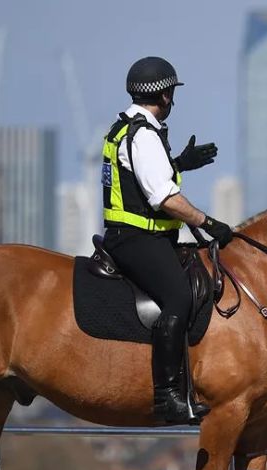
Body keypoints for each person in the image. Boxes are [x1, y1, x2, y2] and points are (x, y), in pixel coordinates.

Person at [100, 56, 233, 425]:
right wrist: (210, 222)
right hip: (137, 239)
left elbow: (144, 182)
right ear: (164, 95)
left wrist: (179, 164)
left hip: (141, 236)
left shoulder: (128, 128)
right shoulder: (143, 134)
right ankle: (168, 396)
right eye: (172, 92)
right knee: (178, 296)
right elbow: (164, 199)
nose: (174, 99)